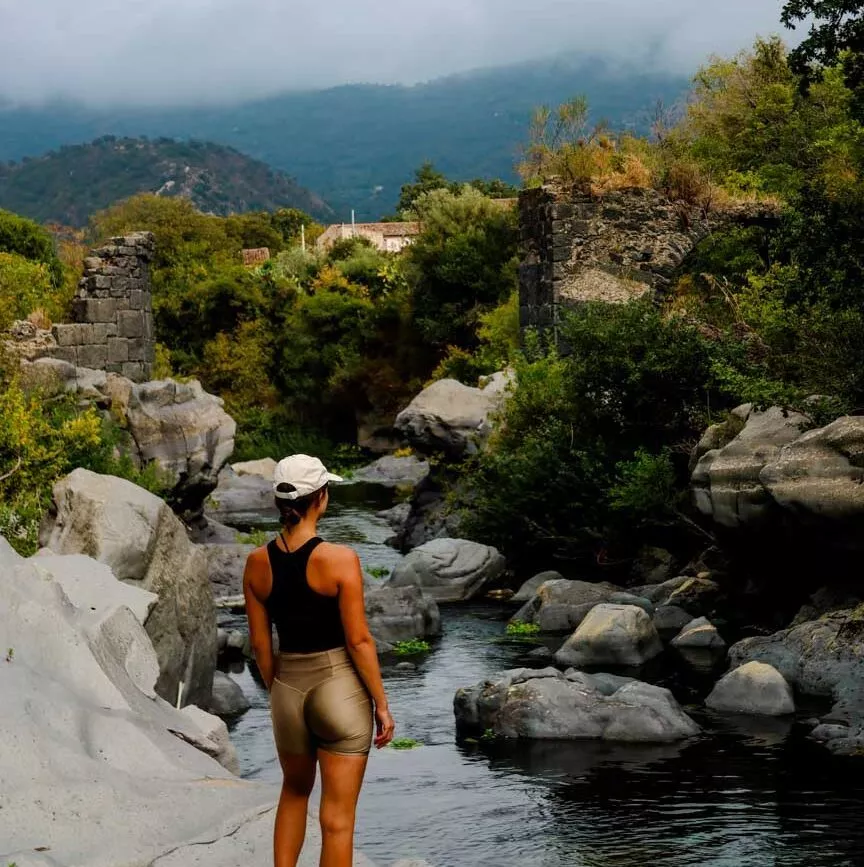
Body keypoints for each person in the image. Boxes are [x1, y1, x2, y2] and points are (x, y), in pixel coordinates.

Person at [243, 454, 395, 867]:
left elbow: (259, 645)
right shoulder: (340, 559)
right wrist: (381, 704)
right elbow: (360, 640)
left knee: (293, 792)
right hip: (340, 690)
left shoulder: (256, 563)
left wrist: (280, 688)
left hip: (287, 692)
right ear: (322, 498)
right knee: (338, 821)